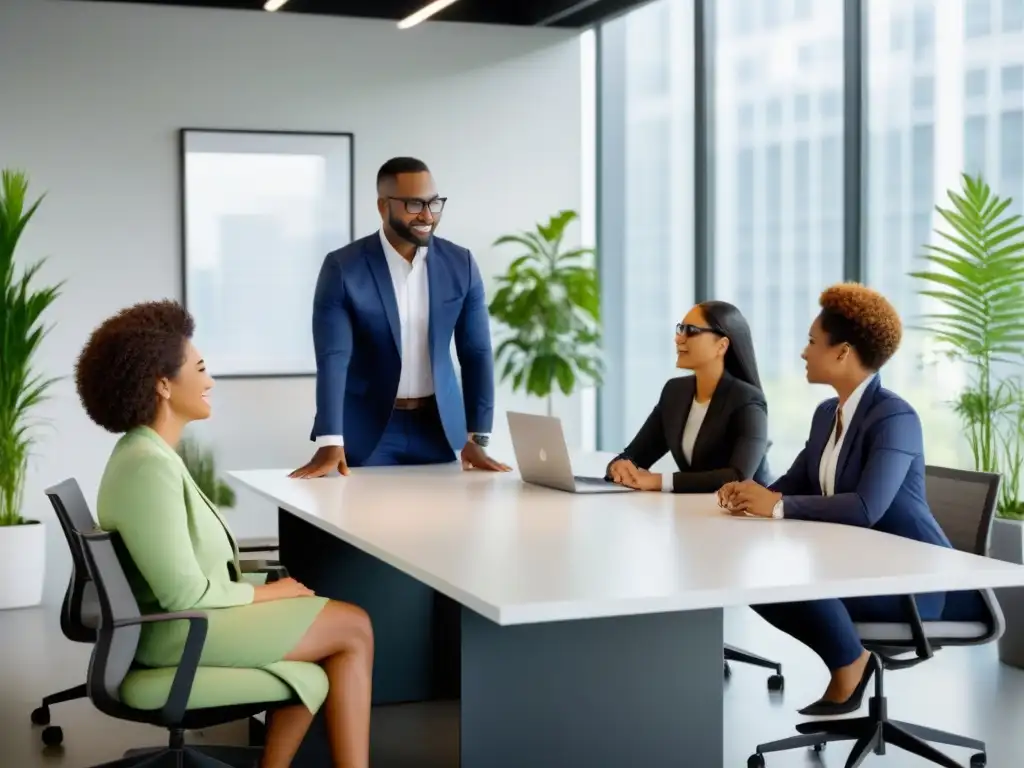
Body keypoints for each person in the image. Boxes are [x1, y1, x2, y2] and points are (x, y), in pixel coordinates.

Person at [76, 300, 374, 768]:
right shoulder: (146, 467)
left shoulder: (147, 454)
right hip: (179, 634)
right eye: (200, 368)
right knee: (353, 627)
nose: (210, 381)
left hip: (187, 622)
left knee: (330, 640)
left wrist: (270, 594)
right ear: (163, 385)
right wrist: (270, 595)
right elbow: (183, 592)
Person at [717, 283, 985, 716]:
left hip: (913, 586)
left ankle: (849, 666)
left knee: (785, 579)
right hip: (859, 568)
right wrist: (756, 494)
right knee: (753, 575)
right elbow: (800, 478)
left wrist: (779, 507)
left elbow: (865, 508)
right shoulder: (828, 413)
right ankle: (849, 662)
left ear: (842, 352)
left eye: (811, 342)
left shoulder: (894, 417)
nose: (803, 353)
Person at [291, 156, 510, 478]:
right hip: (369, 432)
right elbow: (333, 358)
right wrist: (329, 439)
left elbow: (476, 353)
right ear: (383, 207)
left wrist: (477, 436)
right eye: (413, 204)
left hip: (439, 431)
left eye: (434, 203)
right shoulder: (343, 268)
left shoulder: (460, 263)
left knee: (444, 522)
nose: (427, 215)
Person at [607, 301, 770, 493]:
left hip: (747, 517)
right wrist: (618, 467)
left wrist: (659, 481)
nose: (678, 338)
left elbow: (738, 476)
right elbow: (635, 455)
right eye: (680, 329)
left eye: (691, 330)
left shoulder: (747, 400)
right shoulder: (675, 392)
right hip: (693, 512)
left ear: (721, 345)